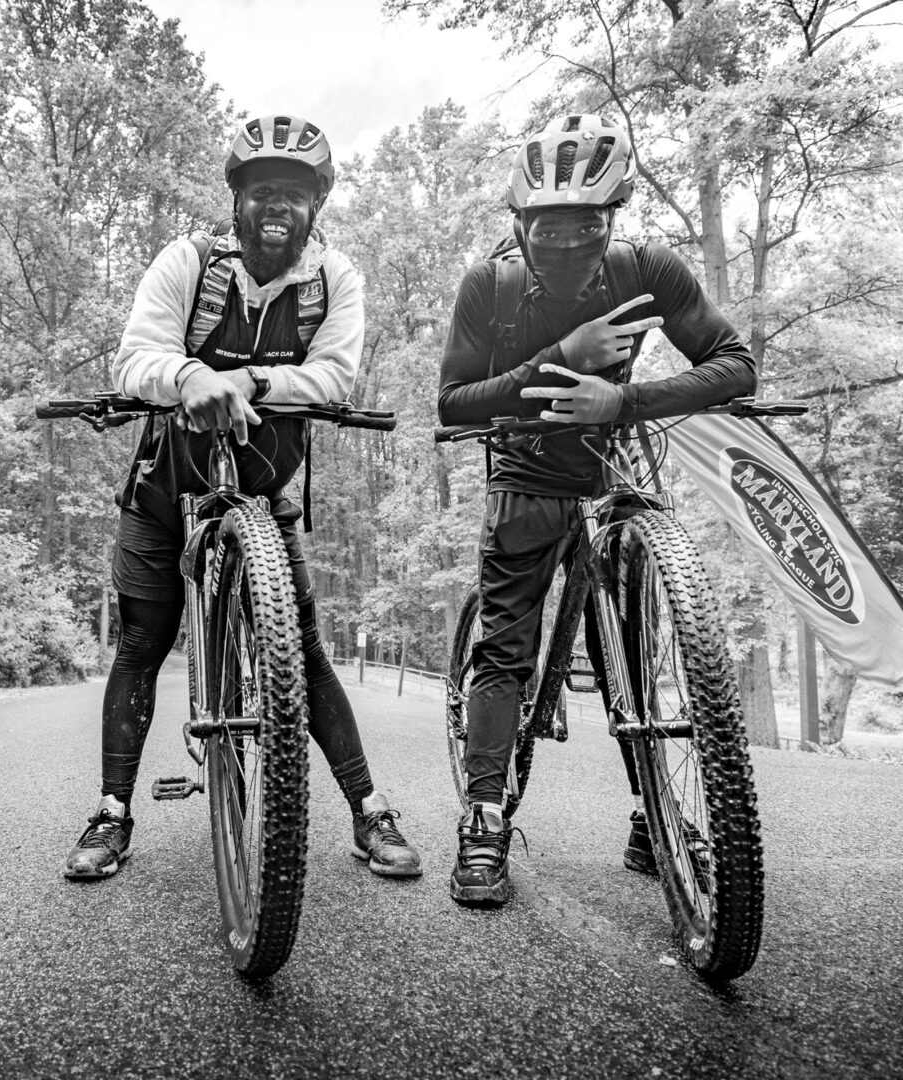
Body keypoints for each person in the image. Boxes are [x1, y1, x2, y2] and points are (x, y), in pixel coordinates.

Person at [64, 114, 423, 881]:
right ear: (237, 200)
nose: (276, 208)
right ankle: (111, 811)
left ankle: (368, 808)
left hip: (262, 493)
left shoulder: (335, 279)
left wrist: (250, 382)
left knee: (303, 653)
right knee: (139, 646)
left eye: (293, 195)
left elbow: (335, 380)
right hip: (166, 490)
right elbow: (137, 356)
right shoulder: (188, 261)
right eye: (262, 192)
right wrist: (190, 378)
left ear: (315, 206)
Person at [436, 113, 757, 906]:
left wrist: (624, 398)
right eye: (550, 229)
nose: (570, 244)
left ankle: (656, 813)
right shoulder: (492, 284)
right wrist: (560, 359)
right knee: (507, 650)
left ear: (612, 218)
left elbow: (735, 364)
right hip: (526, 478)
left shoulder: (650, 270)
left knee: (635, 667)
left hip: (616, 479)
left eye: (587, 226)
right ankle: (483, 821)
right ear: (521, 223)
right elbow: (452, 404)